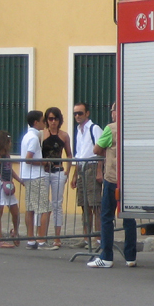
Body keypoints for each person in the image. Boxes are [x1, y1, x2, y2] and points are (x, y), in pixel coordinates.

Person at [87, 104, 136, 268]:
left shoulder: (110, 128)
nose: (112, 114)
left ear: (117, 112)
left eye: (113, 110)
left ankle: (106, 256)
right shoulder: (132, 127)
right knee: (129, 217)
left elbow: (96, 149)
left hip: (112, 178)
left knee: (107, 216)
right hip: (128, 178)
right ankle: (131, 257)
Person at [39, 107, 73, 249]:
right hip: (45, 172)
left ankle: (57, 237)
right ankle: (41, 236)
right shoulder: (42, 135)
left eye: (55, 119)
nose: (53, 122)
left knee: (57, 204)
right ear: (46, 120)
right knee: (43, 204)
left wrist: (68, 171)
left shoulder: (64, 136)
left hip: (58, 171)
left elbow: (69, 154)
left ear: (59, 120)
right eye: (50, 119)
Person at [70, 102, 102, 248]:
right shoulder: (79, 130)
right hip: (82, 168)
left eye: (80, 113)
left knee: (95, 205)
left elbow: (102, 150)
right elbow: (78, 154)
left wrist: (99, 171)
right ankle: (86, 237)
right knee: (84, 205)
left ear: (87, 113)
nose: (77, 116)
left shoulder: (94, 129)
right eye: (75, 113)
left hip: (92, 167)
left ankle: (98, 238)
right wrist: (74, 175)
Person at [0, 130, 22, 248]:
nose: (10, 143)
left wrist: (19, 180)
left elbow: (10, 170)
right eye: (9, 141)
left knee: (15, 211)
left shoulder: (7, 155)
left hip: (8, 185)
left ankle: (15, 232)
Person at [20, 110, 47, 250]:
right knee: (43, 209)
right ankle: (41, 240)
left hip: (28, 176)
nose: (44, 123)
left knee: (30, 209)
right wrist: (43, 163)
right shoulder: (33, 138)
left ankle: (31, 240)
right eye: (43, 120)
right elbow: (28, 159)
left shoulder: (27, 136)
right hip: (36, 175)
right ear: (36, 123)